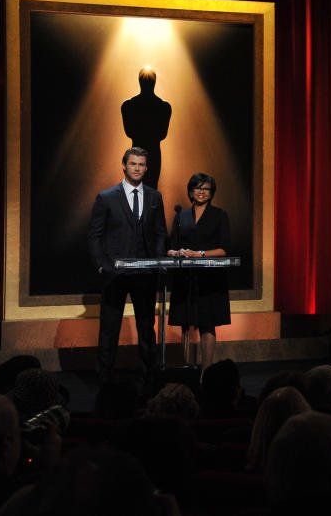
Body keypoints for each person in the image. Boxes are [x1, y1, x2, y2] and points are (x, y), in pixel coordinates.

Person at [88, 147, 166, 383]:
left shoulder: (155, 197)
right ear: (124, 165)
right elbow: (95, 235)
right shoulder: (106, 197)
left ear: (146, 168)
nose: (137, 168)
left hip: (145, 273)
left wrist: (158, 261)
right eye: (133, 164)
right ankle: (105, 380)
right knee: (110, 329)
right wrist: (102, 265)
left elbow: (161, 232)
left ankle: (150, 379)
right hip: (115, 273)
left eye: (141, 165)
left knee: (146, 328)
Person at [166, 173, 231, 371]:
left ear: (211, 193)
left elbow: (224, 249)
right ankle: (188, 369)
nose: (201, 192)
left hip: (210, 278)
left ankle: (206, 371)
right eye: (197, 188)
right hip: (185, 277)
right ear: (190, 191)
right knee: (185, 322)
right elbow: (170, 247)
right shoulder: (181, 215)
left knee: (207, 323)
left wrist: (200, 254)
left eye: (206, 189)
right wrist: (177, 252)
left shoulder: (219, 215)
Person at [121, 66, 172, 191]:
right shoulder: (164, 107)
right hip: (153, 154)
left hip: (136, 153)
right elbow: (162, 134)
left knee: (135, 190)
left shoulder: (128, 105)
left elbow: (129, 132)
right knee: (151, 189)